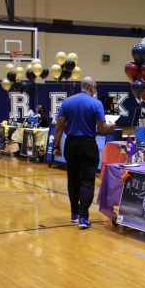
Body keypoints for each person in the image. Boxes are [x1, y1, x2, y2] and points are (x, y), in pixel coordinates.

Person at [53, 77, 115, 229]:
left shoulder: (67, 102)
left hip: (71, 144)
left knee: (72, 179)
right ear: (91, 88)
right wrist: (110, 126)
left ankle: (74, 213)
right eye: (95, 88)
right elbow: (101, 129)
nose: (95, 91)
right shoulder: (96, 103)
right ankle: (83, 217)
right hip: (88, 144)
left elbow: (60, 126)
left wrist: (56, 146)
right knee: (87, 181)